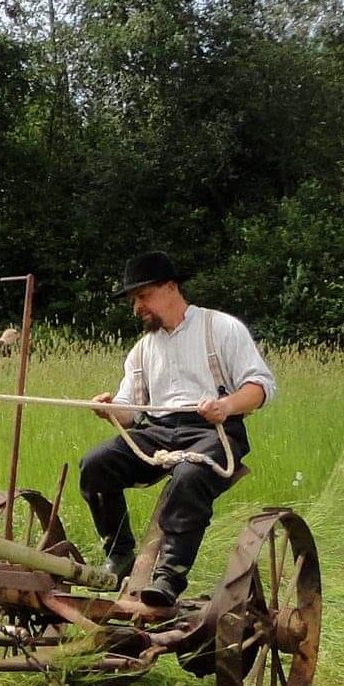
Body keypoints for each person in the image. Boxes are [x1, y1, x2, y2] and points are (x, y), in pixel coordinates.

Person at [81, 251, 277, 607]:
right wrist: (111, 410)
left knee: (189, 476)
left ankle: (168, 577)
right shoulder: (141, 351)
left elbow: (261, 387)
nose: (137, 307)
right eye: (134, 300)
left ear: (171, 288)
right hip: (156, 433)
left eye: (143, 296)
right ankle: (119, 554)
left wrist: (225, 406)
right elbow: (131, 412)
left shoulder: (221, 329)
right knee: (95, 465)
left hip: (213, 432)